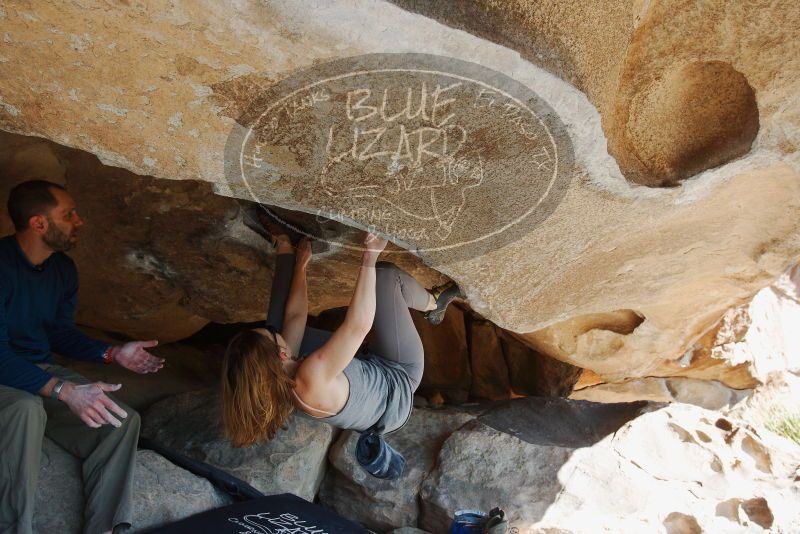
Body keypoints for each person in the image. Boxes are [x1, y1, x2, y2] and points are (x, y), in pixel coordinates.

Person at [220, 221, 462, 475]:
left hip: (362, 369)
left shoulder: (282, 375)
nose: (275, 334)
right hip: (398, 375)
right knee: (385, 276)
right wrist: (369, 255)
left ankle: (285, 247)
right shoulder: (309, 377)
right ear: (281, 354)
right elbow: (358, 326)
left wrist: (301, 264)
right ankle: (434, 305)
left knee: (280, 323)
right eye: (271, 337)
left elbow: (294, 319)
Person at [0, 180, 165, 534]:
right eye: (69, 214)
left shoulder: (62, 270)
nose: (80, 221)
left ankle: (105, 528)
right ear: (39, 223)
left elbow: (58, 333)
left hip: (36, 372)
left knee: (120, 419)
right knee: (24, 410)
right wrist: (65, 391)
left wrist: (111, 352)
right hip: (5, 378)